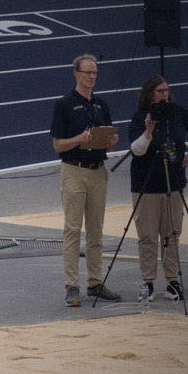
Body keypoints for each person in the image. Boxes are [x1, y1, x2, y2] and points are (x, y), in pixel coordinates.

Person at [127, 75, 188, 302]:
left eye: (167, 90)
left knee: (172, 235)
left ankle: (173, 281)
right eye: (160, 91)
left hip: (173, 183)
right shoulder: (139, 118)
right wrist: (148, 132)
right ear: (149, 93)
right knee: (148, 237)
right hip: (146, 187)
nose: (165, 94)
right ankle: (148, 282)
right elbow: (137, 150)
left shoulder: (178, 112)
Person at [50, 53, 120, 306]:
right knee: (72, 230)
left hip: (98, 170)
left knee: (96, 230)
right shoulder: (64, 104)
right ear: (76, 74)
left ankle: (95, 282)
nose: (92, 77)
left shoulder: (102, 105)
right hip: (74, 170)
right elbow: (57, 145)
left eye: (95, 73)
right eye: (87, 72)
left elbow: (108, 139)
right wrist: (78, 140)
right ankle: (72, 287)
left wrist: (111, 142)